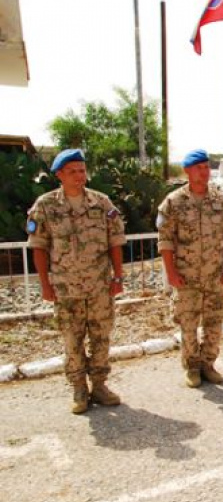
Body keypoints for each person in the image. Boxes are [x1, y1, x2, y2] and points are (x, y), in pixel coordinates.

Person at [27, 149, 126, 414]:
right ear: (59, 174)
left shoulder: (101, 203)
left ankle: (100, 386)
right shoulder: (45, 205)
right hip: (66, 288)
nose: (79, 176)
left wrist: (118, 276)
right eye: (73, 171)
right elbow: (38, 247)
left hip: (99, 286)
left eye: (82, 170)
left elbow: (115, 242)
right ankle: (79, 389)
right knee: (72, 339)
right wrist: (45, 284)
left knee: (101, 337)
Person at [157, 149, 223, 388]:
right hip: (186, 276)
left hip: (213, 275)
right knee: (189, 325)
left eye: (206, 167)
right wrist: (171, 273)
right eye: (198, 168)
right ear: (187, 171)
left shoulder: (220, 201)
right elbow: (165, 242)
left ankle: (208, 364)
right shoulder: (173, 202)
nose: (204, 172)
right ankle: (192, 367)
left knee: (214, 322)